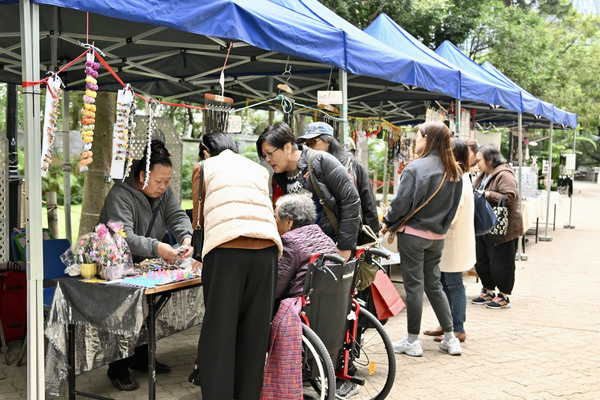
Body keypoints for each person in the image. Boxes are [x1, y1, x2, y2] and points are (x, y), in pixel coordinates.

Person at [189, 132, 282, 400]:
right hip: (266, 254)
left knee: (219, 332)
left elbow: (199, 220)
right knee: (254, 333)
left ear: (206, 151)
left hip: (227, 253)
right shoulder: (258, 169)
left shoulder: (204, 168)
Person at [99, 139, 194, 391]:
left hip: (144, 263)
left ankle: (141, 358)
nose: (164, 187)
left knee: (149, 308)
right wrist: (157, 247)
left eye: (167, 181)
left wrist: (185, 237)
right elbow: (124, 236)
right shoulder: (120, 195)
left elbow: (177, 215)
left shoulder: (165, 193)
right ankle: (117, 368)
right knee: (122, 314)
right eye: (159, 181)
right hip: (115, 263)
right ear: (142, 175)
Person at [381, 121, 463, 357]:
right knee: (434, 285)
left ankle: (412, 340)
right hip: (437, 237)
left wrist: (388, 219)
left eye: (417, 136)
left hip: (414, 236)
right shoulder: (454, 170)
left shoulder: (415, 168)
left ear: (427, 139)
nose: (415, 140)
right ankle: (450, 337)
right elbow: (453, 208)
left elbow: (400, 205)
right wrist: (441, 229)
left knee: (414, 287)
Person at [256, 121, 360, 261]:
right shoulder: (278, 178)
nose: (268, 160)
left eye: (270, 154)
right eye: (265, 156)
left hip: (330, 247)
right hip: (301, 251)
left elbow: (351, 200)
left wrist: (345, 247)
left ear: (287, 147)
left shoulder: (321, 161)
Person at [423, 138, 476, 343]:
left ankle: (458, 328)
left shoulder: (459, 179)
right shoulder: (458, 176)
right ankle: (446, 324)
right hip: (450, 240)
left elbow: (454, 212)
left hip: (452, 239)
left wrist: (435, 223)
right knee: (445, 282)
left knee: (453, 283)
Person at [297, 121, 380, 234]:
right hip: (320, 234)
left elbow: (368, 204)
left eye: (313, 142)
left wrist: (372, 236)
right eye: (307, 144)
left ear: (329, 139)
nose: (310, 147)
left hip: (350, 233)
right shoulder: (309, 169)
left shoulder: (353, 166)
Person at [471, 144, 523, 309]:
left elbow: (510, 197)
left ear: (490, 160)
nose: (477, 163)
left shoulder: (504, 174)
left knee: (501, 262)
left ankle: (504, 295)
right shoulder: (485, 174)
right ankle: (488, 290)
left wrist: (487, 194)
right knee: (483, 260)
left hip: (503, 227)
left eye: (479, 160)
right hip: (485, 225)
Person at [274, 193, 338, 306]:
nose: (274, 222)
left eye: (275, 217)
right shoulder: (324, 237)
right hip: (330, 304)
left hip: (302, 306)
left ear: (289, 221)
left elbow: (276, 287)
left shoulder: (290, 240)